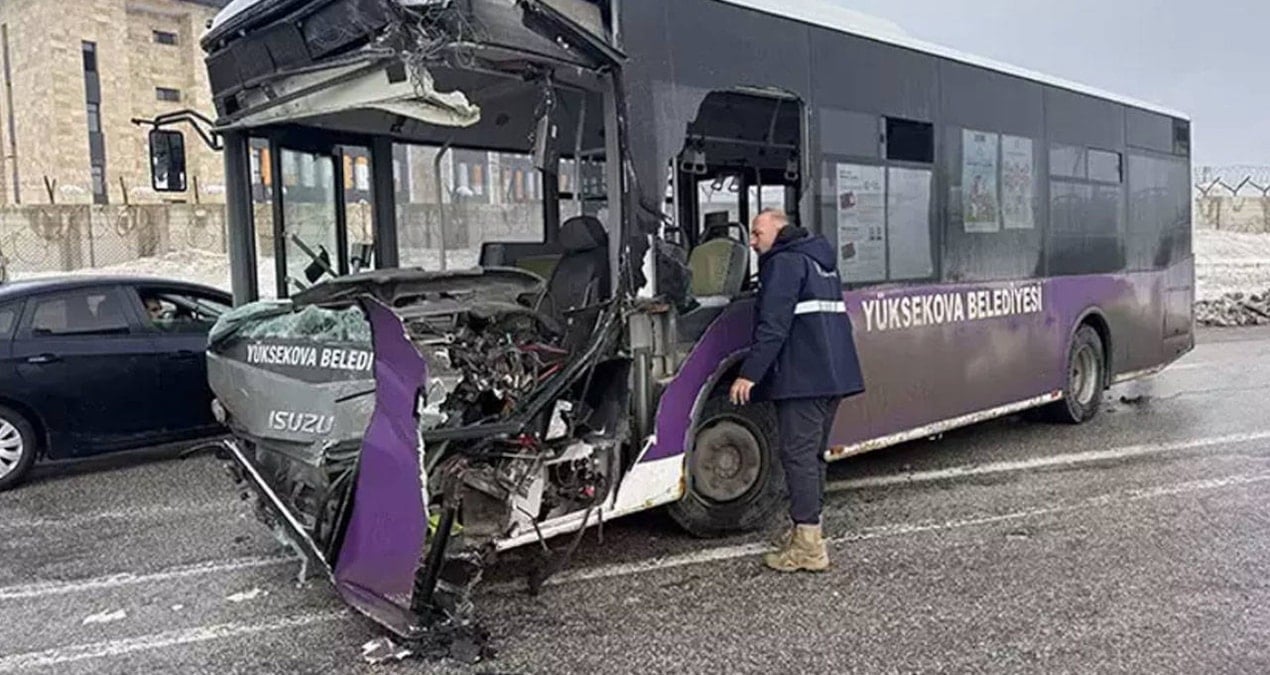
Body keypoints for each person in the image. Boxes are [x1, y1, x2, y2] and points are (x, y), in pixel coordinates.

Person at [730, 208, 865, 573]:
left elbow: (774, 326)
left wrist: (749, 375)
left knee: (798, 457)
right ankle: (808, 533)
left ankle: (808, 547)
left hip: (804, 377)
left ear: (779, 228)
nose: (753, 243)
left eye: (758, 233)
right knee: (812, 455)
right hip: (833, 375)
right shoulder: (820, 259)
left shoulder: (785, 263)